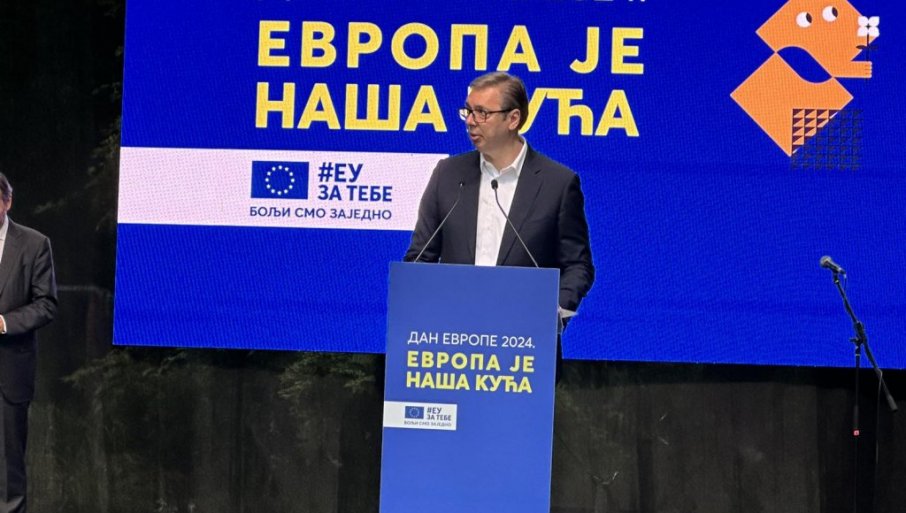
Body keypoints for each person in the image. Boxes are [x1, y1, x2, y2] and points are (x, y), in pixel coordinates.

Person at [404, 71, 594, 323]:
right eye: (468, 111)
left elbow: (577, 266)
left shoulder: (557, 183)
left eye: (482, 113)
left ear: (513, 119)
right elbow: (419, 258)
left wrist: (553, 315)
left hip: (525, 334)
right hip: (452, 333)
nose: (470, 121)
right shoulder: (448, 175)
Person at [0, 172, 58, 513]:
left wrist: (5, 323)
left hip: (9, 372)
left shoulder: (35, 244)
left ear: (7, 201)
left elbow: (46, 304)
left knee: (8, 468)